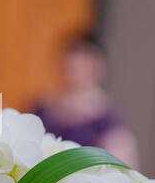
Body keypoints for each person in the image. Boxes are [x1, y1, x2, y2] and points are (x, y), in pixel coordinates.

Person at [34, 33, 139, 168]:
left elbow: (121, 169)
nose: (74, 67)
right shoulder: (43, 107)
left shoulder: (107, 124)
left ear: (98, 67)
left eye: (83, 63)